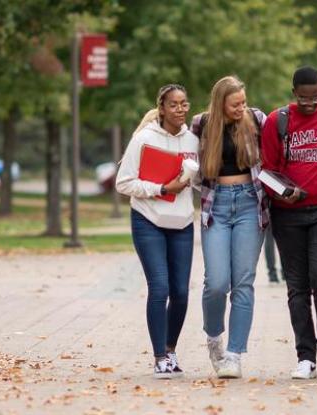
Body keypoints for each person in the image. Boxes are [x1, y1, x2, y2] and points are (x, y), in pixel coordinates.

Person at [260, 66, 317, 379]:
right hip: (287, 213)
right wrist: (286, 192)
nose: (311, 104)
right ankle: (305, 356)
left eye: (316, 97)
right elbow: (267, 171)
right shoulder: (278, 121)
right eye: (304, 98)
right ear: (293, 93)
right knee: (297, 285)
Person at [115, 84, 200, 379]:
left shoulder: (193, 139)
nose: (180, 109)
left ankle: (171, 348)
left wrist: (193, 180)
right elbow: (123, 183)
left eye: (184, 103)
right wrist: (163, 188)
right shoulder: (144, 139)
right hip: (148, 220)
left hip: (182, 223)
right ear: (162, 108)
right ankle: (159, 357)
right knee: (160, 287)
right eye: (174, 104)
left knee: (180, 293)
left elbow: (201, 182)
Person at [192, 76, 269, 379]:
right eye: (235, 104)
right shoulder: (201, 124)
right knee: (216, 282)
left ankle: (235, 354)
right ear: (220, 102)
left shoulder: (257, 120)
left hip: (251, 204)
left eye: (243, 102)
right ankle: (214, 338)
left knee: (243, 283)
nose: (241, 108)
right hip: (216, 206)